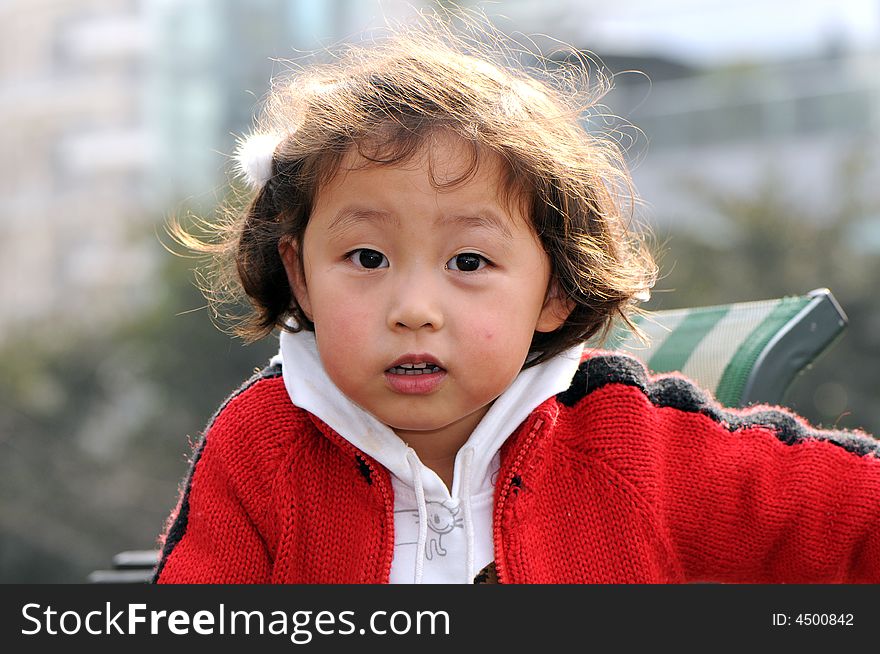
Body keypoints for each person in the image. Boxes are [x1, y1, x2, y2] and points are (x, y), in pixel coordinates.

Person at [154, 13, 880, 584]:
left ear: (555, 292)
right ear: (302, 276)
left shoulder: (629, 446)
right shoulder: (264, 445)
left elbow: (852, 518)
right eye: (366, 258)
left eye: (468, 261)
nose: (413, 307)